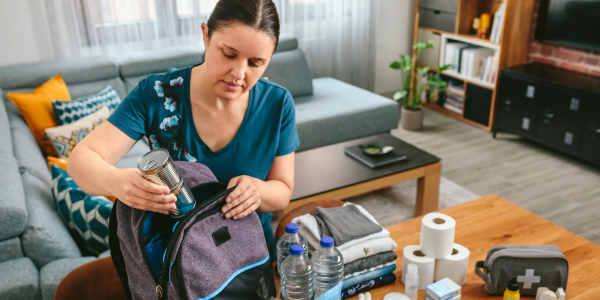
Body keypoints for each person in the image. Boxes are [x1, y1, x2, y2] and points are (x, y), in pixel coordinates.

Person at [68, 0, 298, 260]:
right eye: (229, 54)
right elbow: (80, 159)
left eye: (255, 63)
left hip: (250, 262)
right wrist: (118, 182)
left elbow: (282, 190)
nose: (239, 73)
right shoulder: (155, 94)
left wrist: (259, 191)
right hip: (178, 267)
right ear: (206, 35)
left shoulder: (278, 104)